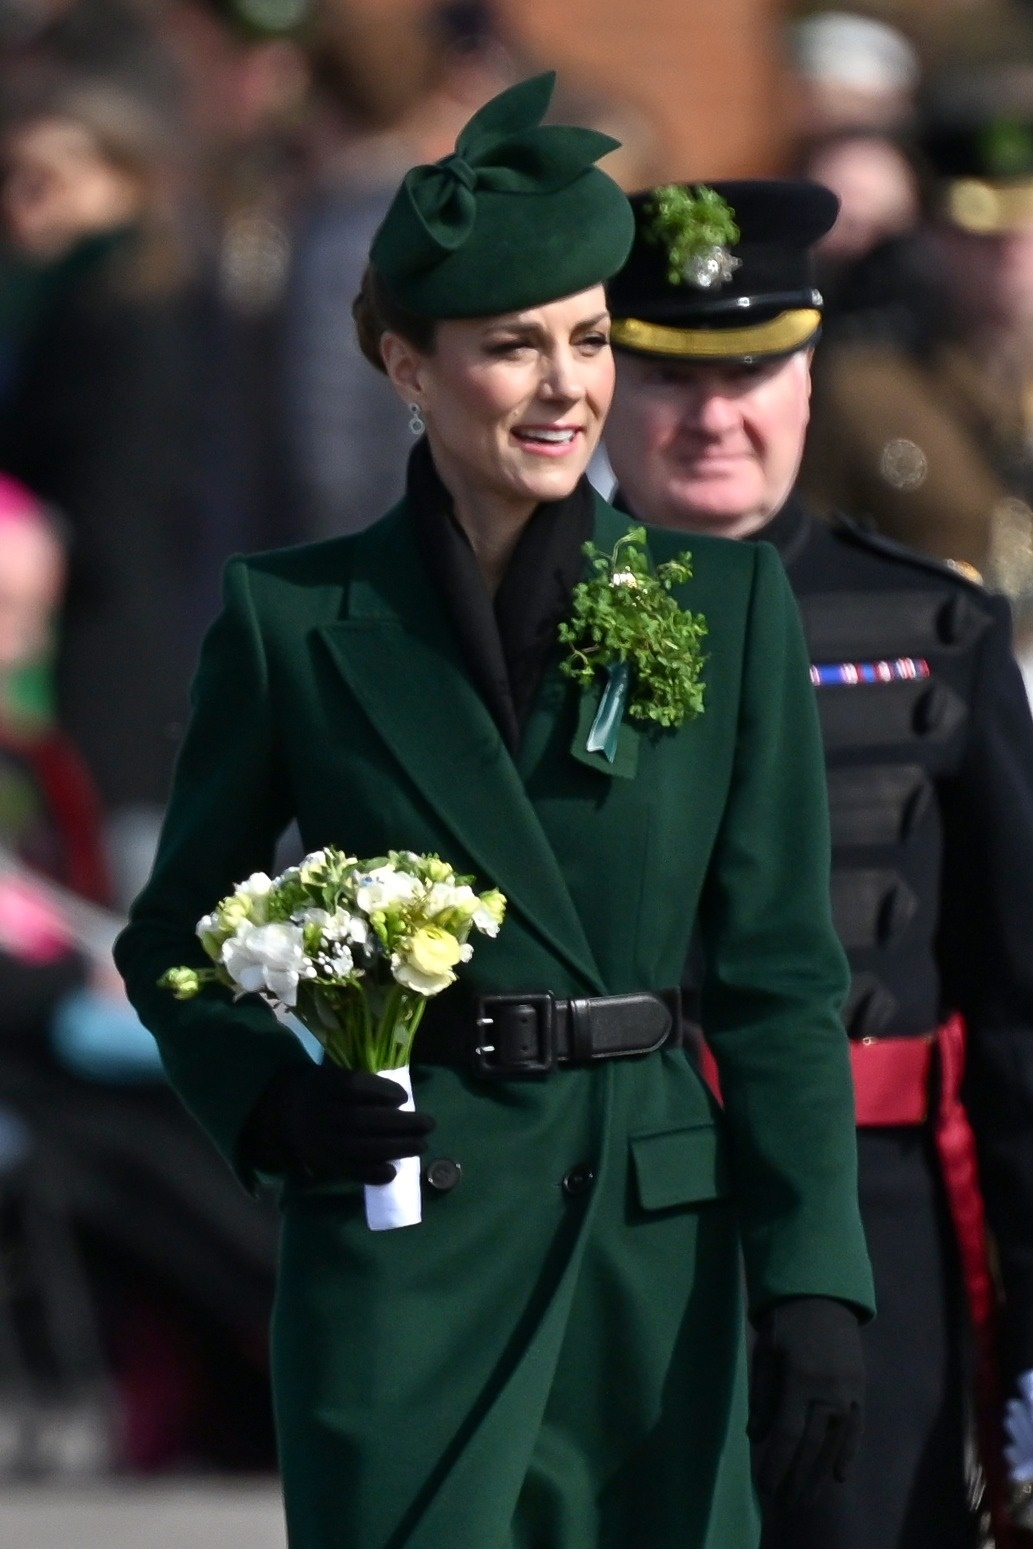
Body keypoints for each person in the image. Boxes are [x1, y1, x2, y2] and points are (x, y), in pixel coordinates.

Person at [115, 76, 872, 1549]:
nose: (565, 388)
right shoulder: (294, 616)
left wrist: (816, 1279)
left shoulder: (721, 603)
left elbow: (784, 982)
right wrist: (266, 1099)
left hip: (648, 1253)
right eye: (511, 346)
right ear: (407, 365)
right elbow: (171, 936)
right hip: (403, 1247)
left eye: (588, 340)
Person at [604, 176, 1033, 1549]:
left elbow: (1020, 1002)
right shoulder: (517, 619)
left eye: (754, 369)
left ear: (807, 379)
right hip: (609, 1214)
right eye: (669, 375)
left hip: (884, 1218)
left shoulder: (933, 625)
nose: (715, 415)